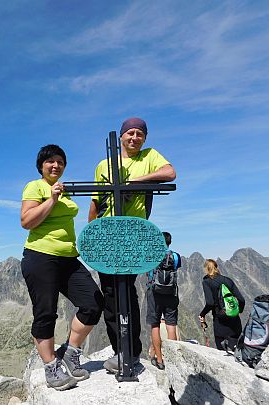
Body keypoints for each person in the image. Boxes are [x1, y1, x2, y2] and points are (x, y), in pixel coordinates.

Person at [88, 117, 176, 374]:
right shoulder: (104, 164)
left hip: (133, 234)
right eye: (130, 133)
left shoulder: (149, 156)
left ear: (145, 138)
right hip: (107, 234)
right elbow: (96, 201)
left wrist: (137, 182)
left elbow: (170, 173)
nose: (134, 137)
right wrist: (92, 236)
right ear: (122, 137)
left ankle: (131, 353)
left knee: (127, 292)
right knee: (111, 293)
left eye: (139, 133)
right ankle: (119, 351)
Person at [21, 144, 104, 391]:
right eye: (50, 162)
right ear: (41, 166)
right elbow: (26, 221)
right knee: (45, 312)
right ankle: (51, 367)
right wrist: (52, 199)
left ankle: (70, 351)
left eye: (60, 162)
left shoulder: (66, 190)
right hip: (40, 256)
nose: (55, 165)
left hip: (68, 257)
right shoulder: (35, 186)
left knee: (93, 302)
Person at [145, 232, 182, 370]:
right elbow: (176, 269)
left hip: (154, 293)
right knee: (171, 324)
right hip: (171, 293)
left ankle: (159, 360)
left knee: (155, 325)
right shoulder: (176, 256)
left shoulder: (152, 255)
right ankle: (172, 360)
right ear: (169, 242)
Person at [199, 259, 245, 351]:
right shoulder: (228, 280)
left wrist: (202, 314)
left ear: (206, 269)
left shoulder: (207, 282)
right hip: (235, 323)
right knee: (236, 353)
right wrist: (238, 311)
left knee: (223, 353)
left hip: (220, 323)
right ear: (216, 267)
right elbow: (241, 299)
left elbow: (210, 303)